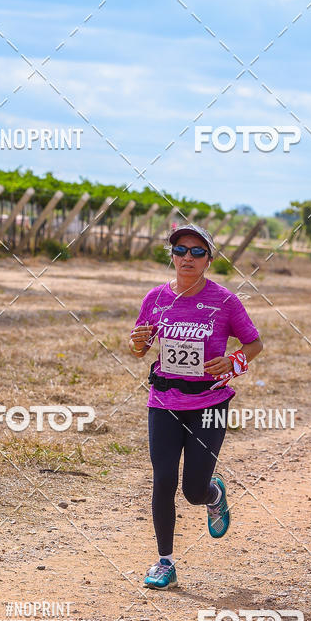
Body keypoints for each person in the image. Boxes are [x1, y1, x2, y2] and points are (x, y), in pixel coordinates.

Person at [129, 223, 263, 589]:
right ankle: (165, 562)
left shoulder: (225, 301)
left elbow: (254, 343)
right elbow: (140, 347)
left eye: (197, 251)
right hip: (164, 401)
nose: (187, 257)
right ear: (172, 256)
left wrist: (233, 361)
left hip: (210, 403)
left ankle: (213, 494)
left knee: (192, 490)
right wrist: (137, 342)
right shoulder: (155, 298)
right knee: (163, 480)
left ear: (209, 260)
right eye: (180, 250)